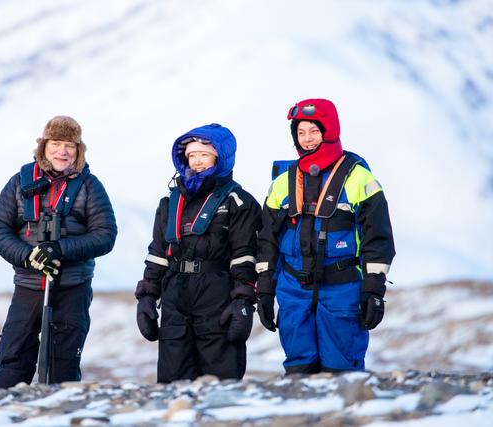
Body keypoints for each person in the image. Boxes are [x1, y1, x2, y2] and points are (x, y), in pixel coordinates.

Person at [256, 99, 395, 374]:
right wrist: (265, 288)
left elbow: (377, 238)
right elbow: (267, 240)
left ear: (329, 131)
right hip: (293, 290)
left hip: (342, 288)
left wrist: (373, 289)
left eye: (314, 131)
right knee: (298, 372)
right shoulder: (283, 182)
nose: (307, 140)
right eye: (301, 133)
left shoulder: (358, 178)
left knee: (341, 373)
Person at [0, 116, 117, 388]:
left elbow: (106, 235)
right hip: (28, 285)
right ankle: (4, 414)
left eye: (70, 145)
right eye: (56, 144)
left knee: (64, 364)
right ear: (44, 147)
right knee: (13, 357)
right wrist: (28, 256)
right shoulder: (19, 182)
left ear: (78, 150)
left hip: (73, 286)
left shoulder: (89, 186)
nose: (63, 151)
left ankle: (60, 414)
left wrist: (60, 249)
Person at [135, 123, 261, 383]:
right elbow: (158, 253)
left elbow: (245, 254)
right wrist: (147, 296)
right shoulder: (170, 202)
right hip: (174, 298)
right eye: (192, 155)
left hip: (218, 296)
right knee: (172, 382)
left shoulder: (239, 201)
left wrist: (243, 301)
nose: (197, 161)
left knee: (220, 382)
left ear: (220, 157)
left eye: (204, 154)